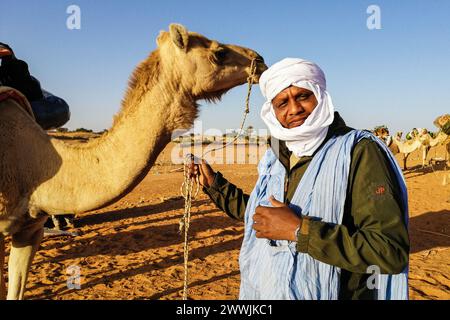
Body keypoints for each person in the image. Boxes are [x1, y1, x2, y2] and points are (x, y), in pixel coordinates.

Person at [188, 58, 409, 300]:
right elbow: (264, 216)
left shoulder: (359, 151)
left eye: (303, 96)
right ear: (272, 110)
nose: (294, 109)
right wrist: (214, 185)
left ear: (320, 96)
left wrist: (300, 231)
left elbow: (389, 252)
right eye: (282, 102)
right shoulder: (278, 154)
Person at [0, 42, 74, 230]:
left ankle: (54, 209)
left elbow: (32, 90)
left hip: (33, 110)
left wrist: (10, 61)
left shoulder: (11, 73)